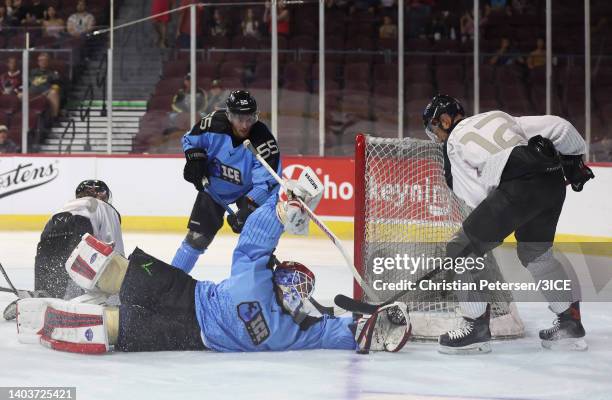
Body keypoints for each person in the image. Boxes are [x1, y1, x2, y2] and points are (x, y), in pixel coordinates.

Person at [16, 176, 411, 354]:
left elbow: (255, 241)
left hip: (187, 296)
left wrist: (282, 207)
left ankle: (70, 292)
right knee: (122, 329)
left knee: (122, 271)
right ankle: (67, 319)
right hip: (185, 335)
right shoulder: (291, 332)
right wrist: (372, 328)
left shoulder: (258, 283)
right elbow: (338, 333)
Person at [421, 94, 594, 354]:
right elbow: (562, 127)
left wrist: (496, 218)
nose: (436, 136)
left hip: (518, 187)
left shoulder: (453, 144)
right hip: (551, 181)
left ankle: (475, 328)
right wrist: (575, 161)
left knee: (460, 251)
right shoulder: (498, 115)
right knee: (537, 254)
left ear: (444, 120)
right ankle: (570, 325)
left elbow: (476, 196)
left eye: (435, 128)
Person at [171, 90, 281, 274]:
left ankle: (253, 288)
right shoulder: (213, 122)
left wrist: (249, 208)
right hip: (213, 188)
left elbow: (267, 183)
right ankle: (171, 282)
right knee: (196, 238)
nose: (245, 124)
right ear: (229, 115)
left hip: (247, 192)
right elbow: (190, 140)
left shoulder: (264, 141)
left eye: (249, 118)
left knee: (256, 242)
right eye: (239, 118)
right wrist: (195, 159)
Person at [34, 179, 123, 300]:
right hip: (81, 226)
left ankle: (42, 295)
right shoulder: (108, 208)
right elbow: (114, 249)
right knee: (79, 275)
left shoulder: (67, 205)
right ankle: (77, 300)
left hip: (52, 226)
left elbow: (45, 248)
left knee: (52, 278)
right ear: (105, 195)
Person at [29, 52, 61, 117]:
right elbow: (26, 83)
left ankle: (54, 117)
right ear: (38, 62)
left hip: (46, 94)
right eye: (41, 60)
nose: (43, 62)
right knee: (20, 95)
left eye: (45, 60)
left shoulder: (53, 74)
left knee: (54, 93)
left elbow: (56, 86)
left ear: (49, 62)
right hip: (31, 93)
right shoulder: (32, 72)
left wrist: (47, 92)